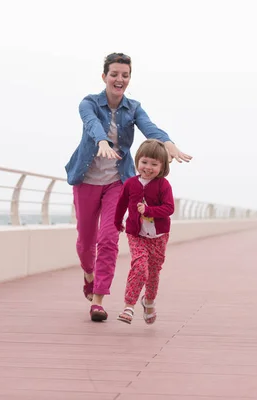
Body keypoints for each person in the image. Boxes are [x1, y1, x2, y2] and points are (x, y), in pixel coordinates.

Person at [64, 52, 191, 322]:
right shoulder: (88, 103)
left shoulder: (133, 108)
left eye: (125, 75)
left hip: (117, 183)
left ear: (129, 79)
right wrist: (101, 142)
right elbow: (91, 124)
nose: (119, 79)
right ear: (104, 77)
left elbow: (149, 128)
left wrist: (167, 142)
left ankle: (98, 300)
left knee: (108, 239)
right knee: (86, 243)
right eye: (114, 74)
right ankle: (89, 275)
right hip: (86, 180)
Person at [114, 139, 173, 325]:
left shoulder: (163, 185)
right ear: (137, 161)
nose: (148, 167)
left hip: (159, 236)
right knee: (140, 266)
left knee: (153, 272)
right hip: (136, 234)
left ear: (162, 166)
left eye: (154, 164)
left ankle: (149, 302)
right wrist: (117, 222)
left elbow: (169, 208)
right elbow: (121, 204)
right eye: (144, 162)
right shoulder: (131, 183)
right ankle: (128, 306)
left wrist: (149, 211)